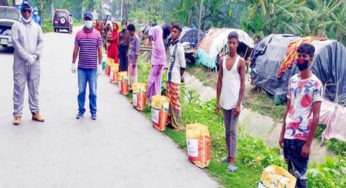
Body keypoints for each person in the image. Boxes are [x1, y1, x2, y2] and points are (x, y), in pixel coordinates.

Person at [279, 43, 322, 188]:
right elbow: (288, 109)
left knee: (301, 178)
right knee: (289, 175)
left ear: (311, 60)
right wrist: (282, 133)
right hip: (289, 135)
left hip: (301, 139)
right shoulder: (292, 81)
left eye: (304, 57)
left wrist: (308, 144)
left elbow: (316, 117)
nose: (301, 59)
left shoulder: (316, 84)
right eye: (299, 56)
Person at [215, 31, 246, 172]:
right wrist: (217, 101)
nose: (231, 45)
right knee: (227, 130)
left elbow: (243, 84)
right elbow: (219, 81)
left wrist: (239, 104)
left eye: (234, 43)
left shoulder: (240, 61)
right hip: (225, 100)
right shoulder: (222, 60)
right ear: (227, 43)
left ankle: (233, 161)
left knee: (233, 131)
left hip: (235, 103)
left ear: (237, 44)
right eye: (230, 42)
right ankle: (228, 156)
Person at [11, 1, 44, 125]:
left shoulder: (37, 27)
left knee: (34, 87)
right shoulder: (16, 26)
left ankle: (35, 112)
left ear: (31, 12)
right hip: (20, 63)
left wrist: (35, 55)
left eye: (28, 11)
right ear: (21, 11)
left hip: (35, 63)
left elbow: (41, 42)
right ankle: (17, 114)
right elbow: (16, 43)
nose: (26, 13)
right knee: (19, 87)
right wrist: (27, 57)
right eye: (24, 10)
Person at [71, 12, 103, 120]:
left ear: (92, 20)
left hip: (93, 68)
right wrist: (73, 63)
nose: (87, 20)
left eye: (89, 19)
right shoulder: (79, 34)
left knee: (93, 91)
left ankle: (93, 111)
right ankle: (81, 110)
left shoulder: (97, 34)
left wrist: (100, 65)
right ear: (84, 20)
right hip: (81, 68)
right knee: (81, 91)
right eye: (86, 18)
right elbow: (76, 49)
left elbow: (100, 51)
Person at [166, 24, 185, 131]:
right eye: (172, 31)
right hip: (170, 76)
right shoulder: (172, 46)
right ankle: (170, 121)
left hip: (175, 78)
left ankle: (177, 124)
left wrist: (181, 77)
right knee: (169, 100)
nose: (173, 34)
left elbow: (183, 66)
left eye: (175, 32)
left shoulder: (179, 48)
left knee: (176, 101)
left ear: (179, 34)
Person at [147, 25, 166, 102]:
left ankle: (156, 101)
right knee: (152, 83)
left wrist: (160, 68)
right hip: (154, 65)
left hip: (158, 68)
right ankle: (152, 100)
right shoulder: (156, 43)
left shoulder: (160, 44)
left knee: (156, 83)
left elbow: (163, 57)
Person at [127, 24, 140, 88]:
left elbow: (137, 52)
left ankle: (133, 87)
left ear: (132, 31)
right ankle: (129, 86)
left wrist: (135, 61)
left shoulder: (137, 39)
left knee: (133, 74)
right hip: (130, 58)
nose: (128, 33)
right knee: (130, 73)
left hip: (133, 60)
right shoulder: (130, 38)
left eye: (129, 31)